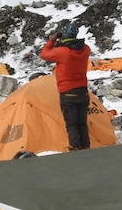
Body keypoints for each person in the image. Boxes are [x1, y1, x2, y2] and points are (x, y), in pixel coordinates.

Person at [40, 22, 92, 151]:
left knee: (72, 124)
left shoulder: (63, 52)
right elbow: (77, 47)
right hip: (83, 90)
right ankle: (86, 146)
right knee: (82, 123)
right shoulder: (85, 49)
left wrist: (52, 41)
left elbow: (44, 54)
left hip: (68, 92)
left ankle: (75, 147)